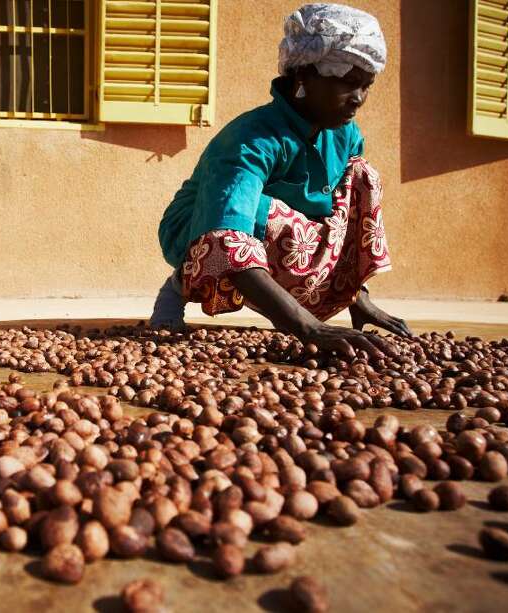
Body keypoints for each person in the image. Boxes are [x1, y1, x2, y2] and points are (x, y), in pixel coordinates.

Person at [150, 2, 411, 359]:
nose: (359, 99)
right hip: (198, 227)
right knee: (251, 212)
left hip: (291, 233)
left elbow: (345, 219)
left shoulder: (345, 134)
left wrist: (356, 295)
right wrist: (307, 327)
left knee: (363, 177)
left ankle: (328, 298)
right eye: (349, 83)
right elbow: (227, 236)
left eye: (366, 86)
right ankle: (179, 284)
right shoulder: (250, 140)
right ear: (303, 76)